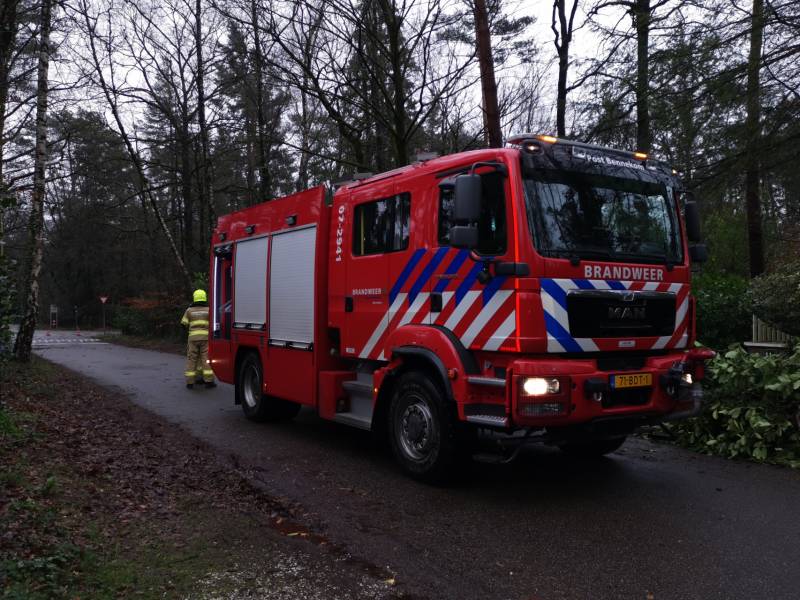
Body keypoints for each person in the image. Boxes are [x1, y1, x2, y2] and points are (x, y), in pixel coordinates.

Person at [181, 289, 216, 389]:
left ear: (194, 297)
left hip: (192, 339)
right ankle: (209, 382)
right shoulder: (209, 309)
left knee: (192, 359)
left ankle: (190, 383)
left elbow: (183, 324)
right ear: (204, 297)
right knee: (206, 359)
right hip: (205, 338)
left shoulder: (189, 310)